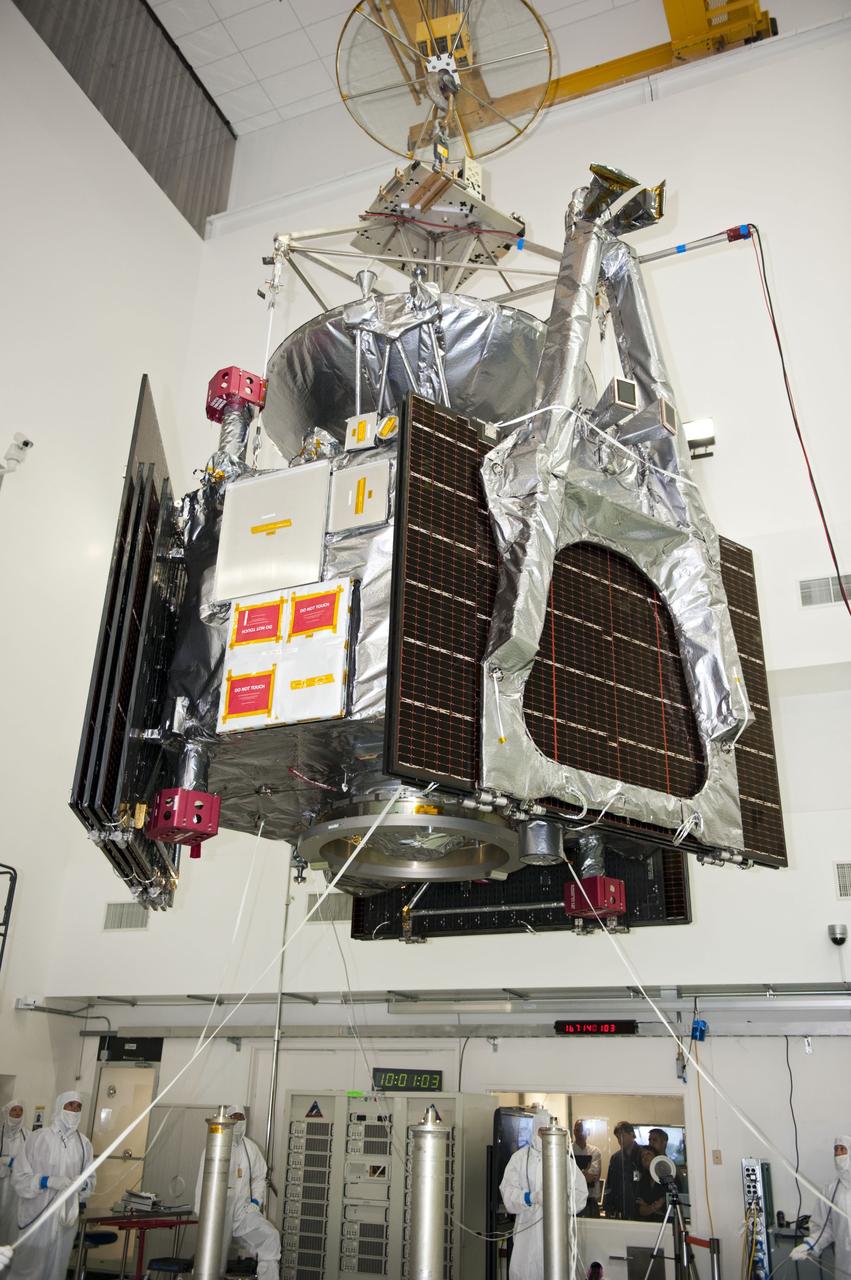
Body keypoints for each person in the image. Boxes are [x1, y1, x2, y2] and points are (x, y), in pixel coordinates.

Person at [9, 1091, 95, 1280]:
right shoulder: (37, 1138)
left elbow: (90, 1180)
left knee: (57, 1268)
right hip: (36, 1214)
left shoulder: (84, 1144)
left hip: (65, 1218)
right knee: (28, 1268)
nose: (74, 1110)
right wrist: (46, 1181)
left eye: (78, 1107)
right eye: (70, 1105)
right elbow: (19, 1177)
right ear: (60, 1106)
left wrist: (82, 1185)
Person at [194, 1104, 280, 1280]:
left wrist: (255, 1203)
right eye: (234, 1117)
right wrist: (201, 1212)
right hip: (218, 1214)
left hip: (243, 1213)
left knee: (271, 1237)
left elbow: (260, 1176)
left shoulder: (251, 1148)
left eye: (241, 1117)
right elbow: (203, 1181)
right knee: (212, 1259)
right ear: (228, 1119)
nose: (238, 1121)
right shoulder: (215, 1146)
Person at [500, 1111, 588, 1279]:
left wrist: (558, 1201)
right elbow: (508, 1195)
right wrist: (531, 1197)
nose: (545, 1136)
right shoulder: (519, 1159)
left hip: (557, 1238)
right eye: (542, 1131)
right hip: (526, 1239)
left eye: (548, 1131)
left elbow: (581, 1194)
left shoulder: (565, 1161)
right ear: (535, 1130)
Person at [790, 1135, 851, 1274]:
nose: (838, 1154)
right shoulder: (830, 1191)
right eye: (836, 1150)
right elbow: (825, 1228)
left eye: (843, 1149)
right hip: (845, 1267)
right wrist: (809, 1245)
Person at [0, 1102, 29, 1245]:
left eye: (20, 1110)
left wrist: (14, 1163)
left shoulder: (27, 1135)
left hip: (17, 1184)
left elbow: (31, 1158)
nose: (17, 1113)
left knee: (13, 1217)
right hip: (1, 1181)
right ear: (7, 1112)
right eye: (14, 1110)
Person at [603, 1122, 642, 1220]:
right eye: (617, 1137)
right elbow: (610, 1185)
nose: (620, 1140)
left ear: (632, 1134)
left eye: (622, 1135)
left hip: (640, 1210)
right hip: (620, 1209)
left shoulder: (644, 1155)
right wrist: (607, 1207)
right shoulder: (615, 1158)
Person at [573, 1121, 602, 1217]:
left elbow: (593, 1177)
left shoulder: (595, 1151)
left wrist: (576, 1176)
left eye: (583, 1130)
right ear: (574, 1132)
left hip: (591, 1201)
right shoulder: (567, 1151)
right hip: (573, 1201)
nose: (580, 1133)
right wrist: (585, 1173)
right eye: (578, 1130)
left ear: (587, 1131)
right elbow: (565, 1177)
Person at [635, 1147, 667, 1222]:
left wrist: (647, 1206)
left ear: (656, 1157)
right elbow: (640, 1210)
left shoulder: (668, 1177)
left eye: (648, 1154)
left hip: (667, 1225)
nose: (645, 1157)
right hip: (647, 1224)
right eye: (642, 1156)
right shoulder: (643, 1180)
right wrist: (654, 1208)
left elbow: (669, 1210)